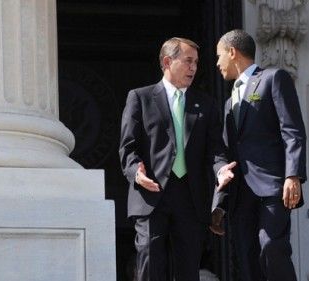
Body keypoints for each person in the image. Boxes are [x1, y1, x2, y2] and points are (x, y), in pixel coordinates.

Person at [119, 37, 235, 281]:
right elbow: (128, 149)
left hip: (190, 199)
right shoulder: (139, 98)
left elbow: (215, 150)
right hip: (151, 194)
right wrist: (135, 173)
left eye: (196, 63)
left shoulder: (206, 104)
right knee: (150, 264)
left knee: (188, 269)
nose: (194, 67)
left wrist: (221, 170)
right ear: (167, 62)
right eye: (188, 61)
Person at [212, 29, 306, 281]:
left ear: (232, 52)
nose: (217, 63)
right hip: (242, 194)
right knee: (247, 257)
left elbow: (293, 131)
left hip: (273, 186)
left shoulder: (273, 78)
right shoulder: (229, 101)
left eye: (219, 56)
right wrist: (219, 202)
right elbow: (224, 152)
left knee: (271, 247)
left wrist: (293, 174)